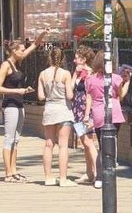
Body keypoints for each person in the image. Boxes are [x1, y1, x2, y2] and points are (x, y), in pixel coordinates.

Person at [0, 30, 47, 183]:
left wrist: (42, 34)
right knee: (9, 138)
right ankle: (7, 173)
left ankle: (14, 170)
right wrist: (18, 90)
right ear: (14, 51)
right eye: (21, 50)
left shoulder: (17, 63)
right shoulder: (6, 65)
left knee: (16, 139)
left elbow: (35, 46)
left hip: (19, 104)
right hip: (10, 104)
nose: (24, 52)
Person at [84, 50, 127, 189]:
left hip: (98, 112)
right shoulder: (116, 78)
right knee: (111, 143)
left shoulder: (90, 79)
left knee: (102, 146)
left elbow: (89, 95)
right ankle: (108, 174)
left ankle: (100, 177)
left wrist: (86, 114)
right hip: (114, 111)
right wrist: (127, 82)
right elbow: (120, 95)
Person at [38, 47, 76, 186]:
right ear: (63, 58)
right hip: (63, 109)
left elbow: (41, 96)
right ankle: (63, 178)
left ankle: (48, 177)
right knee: (63, 145)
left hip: (49, 109)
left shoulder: (42, 74)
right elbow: (70, 95)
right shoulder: (65, 74)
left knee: (49, 144)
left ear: (49, 58)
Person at [72, 45, 97, 184]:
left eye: (77, 58)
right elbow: (70, 89)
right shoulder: (78, 72)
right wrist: (75, 74)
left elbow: (89, 95)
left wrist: (87, 114)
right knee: (84, 142)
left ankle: (97, 172)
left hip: (85, 110)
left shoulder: (90, 74)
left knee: (88, 142)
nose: (74, 60)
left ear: (84, 59)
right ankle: (89, 172)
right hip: (77, 109)